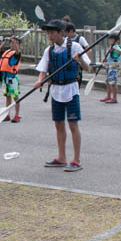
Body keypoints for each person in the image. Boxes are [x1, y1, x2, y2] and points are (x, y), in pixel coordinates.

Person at [32, 19, 91, 172]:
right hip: (56, 91)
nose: (50, 36)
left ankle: (76, 160)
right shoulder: (49, 51)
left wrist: (80, 60)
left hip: (71, 90)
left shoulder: (75, 46)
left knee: (73, 124)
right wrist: (40, 81)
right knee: (58, 124)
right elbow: (43, 70)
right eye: (48, 33)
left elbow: (87, 67)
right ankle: (61, 157)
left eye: (52, 33)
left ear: (60, 32)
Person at [0, 35, 22, 122]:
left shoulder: (17, 54)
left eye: (15, 43)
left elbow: (18, 51)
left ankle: (17, 115)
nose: (13, 44)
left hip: (12, 78)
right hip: (5, 78)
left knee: (15, 97)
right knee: (7, 97)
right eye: (11, 43)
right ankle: (7, 114)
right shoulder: (8, 52)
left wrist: (14, 41)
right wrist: (5, 41)